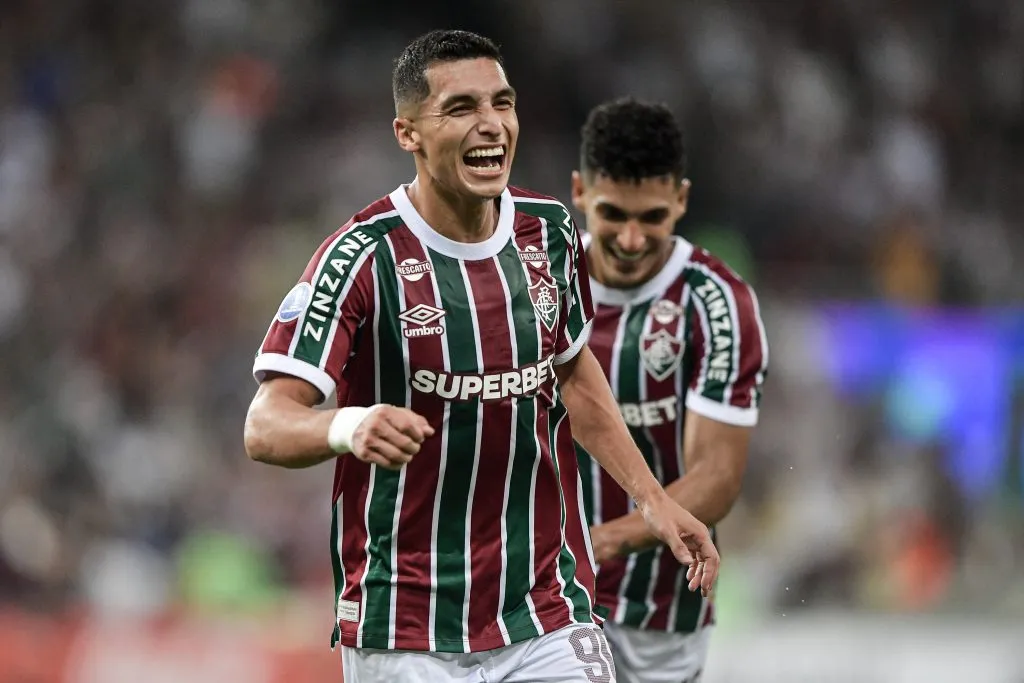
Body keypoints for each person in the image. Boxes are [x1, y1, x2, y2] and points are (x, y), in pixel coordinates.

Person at [243, 31, 719, 683]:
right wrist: (350, 426)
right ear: (408, 133)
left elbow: (574, 376)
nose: (491, 123)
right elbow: (265, 425)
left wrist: (653, 501)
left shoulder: (550, 232)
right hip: (405, 626)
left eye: (503, 102)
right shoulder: (361, 257)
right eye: (461, 107)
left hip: (544, 609)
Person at [570, 98, 769, 683]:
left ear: (681, 200)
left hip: (659, 614)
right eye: (613, 214)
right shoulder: (540, 282)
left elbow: (717, 476)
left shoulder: (716, 303)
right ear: (580, 192)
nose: (632, 239)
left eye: (652, 217)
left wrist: (602, 540)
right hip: (542, 598)